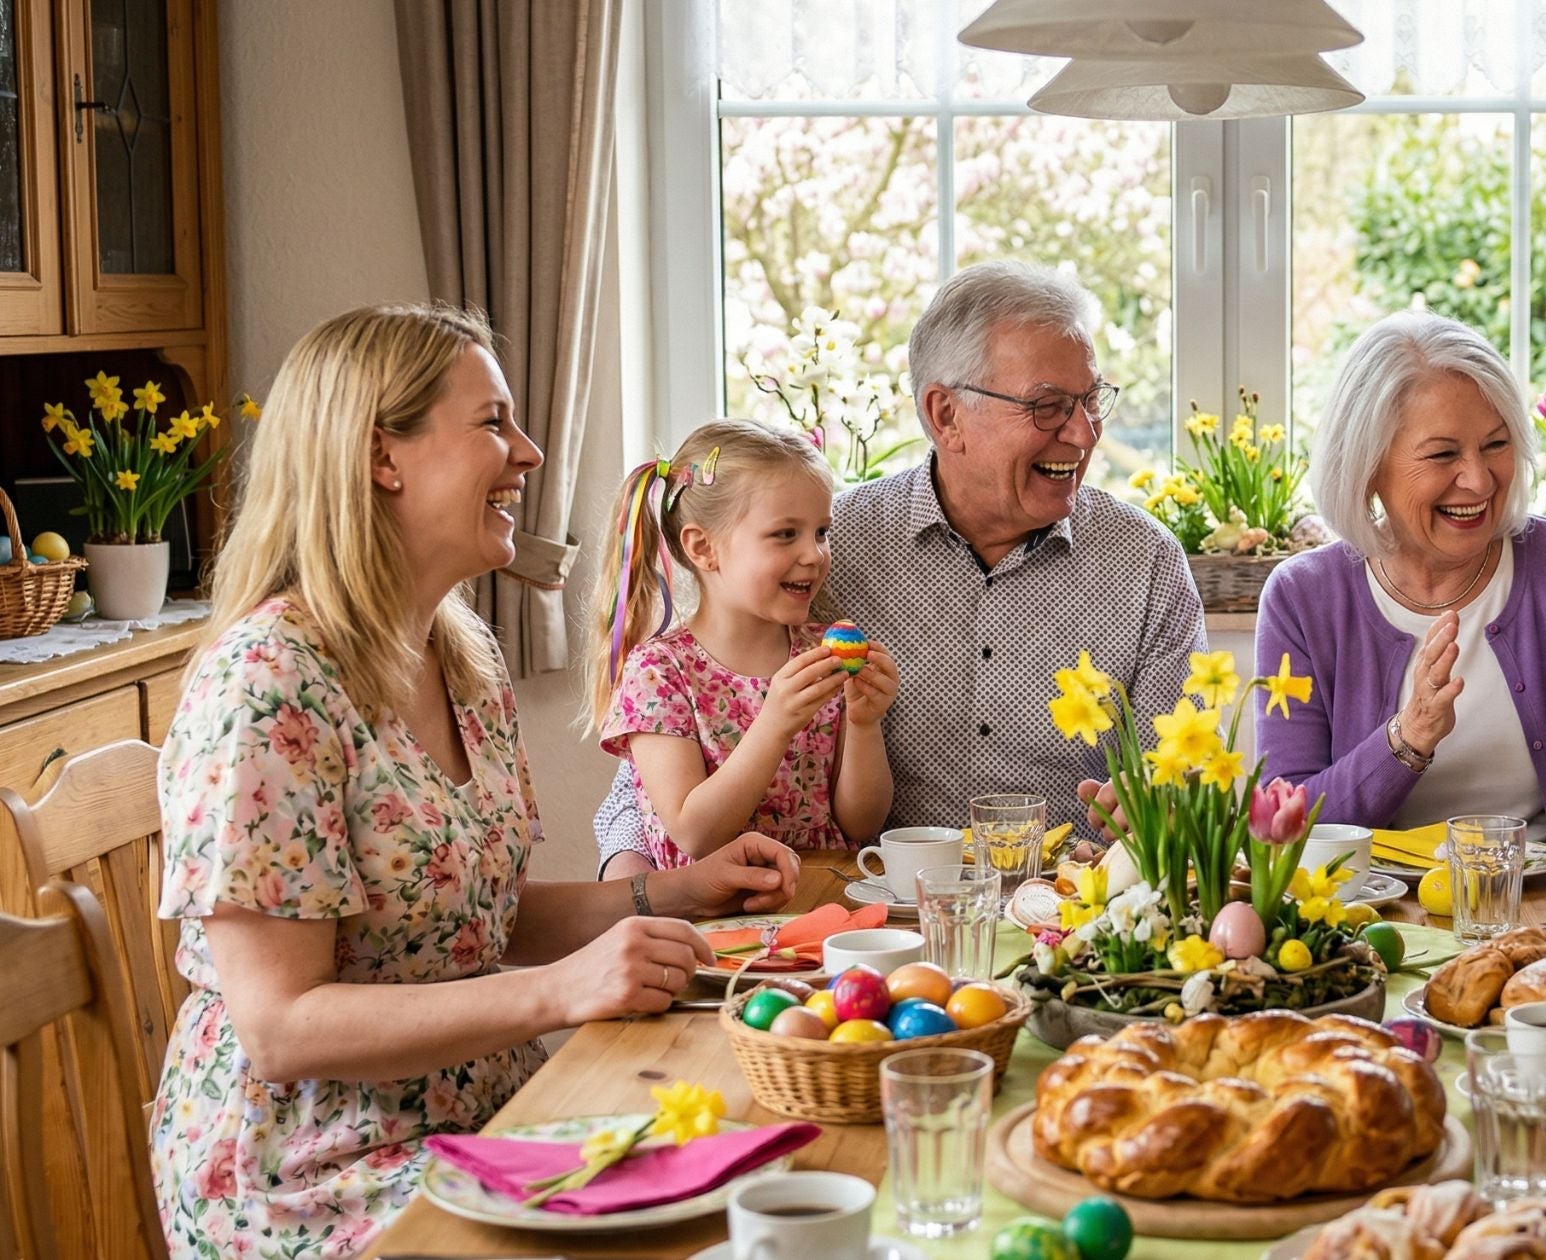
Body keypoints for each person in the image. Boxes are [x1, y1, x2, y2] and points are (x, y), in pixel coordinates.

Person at [150, 305, 802, 1258]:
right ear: (384, 457)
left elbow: (470, 916)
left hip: (487, 1113)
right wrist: (559, 993)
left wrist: (667, 894)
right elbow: (282, 1027)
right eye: (493, 422)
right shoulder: (268, 682)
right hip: (313, 1171)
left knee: (757, 1177)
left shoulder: (460, 656)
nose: (529, 453)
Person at [593, 261, 1203, 854]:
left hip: (1070, 913)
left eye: (1091, 400)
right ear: (946, 415)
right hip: (875, 919)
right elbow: (664, 773)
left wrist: (1166, 805)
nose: (1084, 433)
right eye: (1048, 407)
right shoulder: (823, 550)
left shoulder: (1143, 562)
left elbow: (1184, 776)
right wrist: (639, 890)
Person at [1254, 311, 1546, 845]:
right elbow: (1284, 830)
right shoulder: (1303, 599)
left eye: (1496, 445)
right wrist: (1405, 740)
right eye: (1443, 454)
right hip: (1380, 920)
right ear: (1367, 465)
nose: (1478, 480)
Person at [588, 420, 898, 880]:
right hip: (713, 924)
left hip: (818, 902)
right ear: (703, 548)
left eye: (820, 532)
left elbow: (861, 823)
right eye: (785, 534)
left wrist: (864, 721)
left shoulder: (820, 651)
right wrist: (774, 725)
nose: (814, 555)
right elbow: (695, 834)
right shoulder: (658, 672)